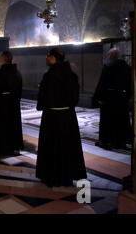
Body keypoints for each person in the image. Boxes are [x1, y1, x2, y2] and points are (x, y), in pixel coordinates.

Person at [35, 48, 87, 187]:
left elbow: (44, 97)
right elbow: (75, 98)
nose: (46, 58)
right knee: (67, 146)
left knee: (52, 147)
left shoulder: (49, 75)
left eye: (48, 56)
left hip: (52, 117)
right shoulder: (72, 75)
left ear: (53, 58)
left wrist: (41, 95)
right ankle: (67, 175)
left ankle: (52, 175)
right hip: (68, 116)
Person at [93, 48, 132, 149]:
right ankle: (120, 142)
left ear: (111, 56)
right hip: (121, 98)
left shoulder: (108, 66)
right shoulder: (126, 67)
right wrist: (127, 96)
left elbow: (102, 83)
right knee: (121, 120)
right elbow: (130, 83)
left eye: (109, 55)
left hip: (108, 98)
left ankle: (105, 141)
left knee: (107, 120)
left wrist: (99, 97)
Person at [0, 51, 23, 155]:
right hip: (13, 103)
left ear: (3, 59)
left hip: (1, 104)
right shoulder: (17, 73)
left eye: (1, 58)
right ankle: (12, 145)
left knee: (1, 126)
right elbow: (19, 90)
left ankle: (0, 146)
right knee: (12, 125)